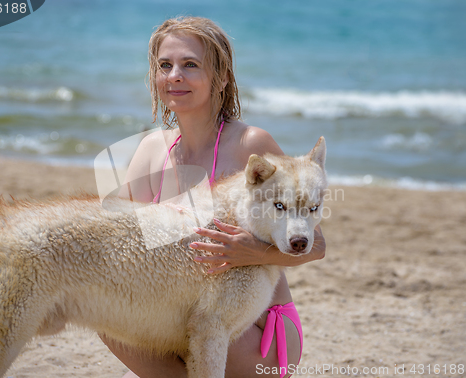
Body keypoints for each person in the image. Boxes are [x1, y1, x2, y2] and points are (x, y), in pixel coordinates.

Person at [100, 16, 326, 378]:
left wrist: (253, 251)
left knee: (206, 328)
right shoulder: (149, 150)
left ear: (221, 77)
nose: (175, 75)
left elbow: (316, 245)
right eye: (165, 65)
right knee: (105, 314)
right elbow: (125, 240)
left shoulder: (250, 145)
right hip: (179, 312)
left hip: (257, 330)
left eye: (190, 64)